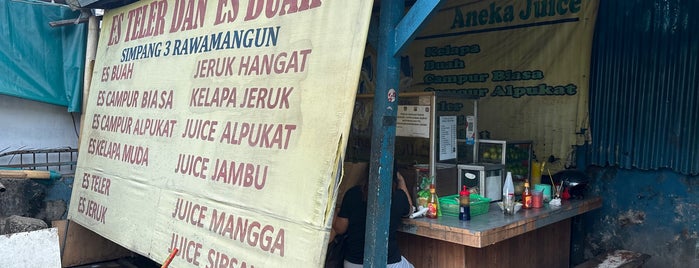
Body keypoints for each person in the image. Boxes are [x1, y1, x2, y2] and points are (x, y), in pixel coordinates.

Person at [331, 164, 414, 268]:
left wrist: (334, 209)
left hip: (353, 263)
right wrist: (402, 181)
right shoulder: (398, 196)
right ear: (395, 176)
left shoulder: (352, 193)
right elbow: (409, 210)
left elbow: (339, 229)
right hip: (389, 263)